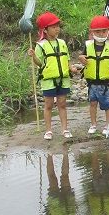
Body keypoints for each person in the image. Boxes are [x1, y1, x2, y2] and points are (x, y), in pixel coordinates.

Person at [29, 11, 72, 140]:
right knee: (48, 105)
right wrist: (34, 56)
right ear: (45, 30)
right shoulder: (40, 45)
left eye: (58, 26)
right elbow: (39, 63)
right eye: (53, 27)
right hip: (48, 80)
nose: (57, 29)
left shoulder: (62, 43)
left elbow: (67, 59)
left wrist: (71, 68)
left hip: (63, 78)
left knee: (62, 104)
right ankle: (48, 131)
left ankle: (65, 129)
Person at [78, 15, 109, 137]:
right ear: (92, 32)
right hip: (92, 82)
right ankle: (93, 124)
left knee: (107, 104)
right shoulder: (87, 45)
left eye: (104, 31)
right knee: (92, 103)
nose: (101, 34)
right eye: (98, 31)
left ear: (108, 31)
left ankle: (107, 125)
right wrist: (81, 58)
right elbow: (82, 56)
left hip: (106, 82)